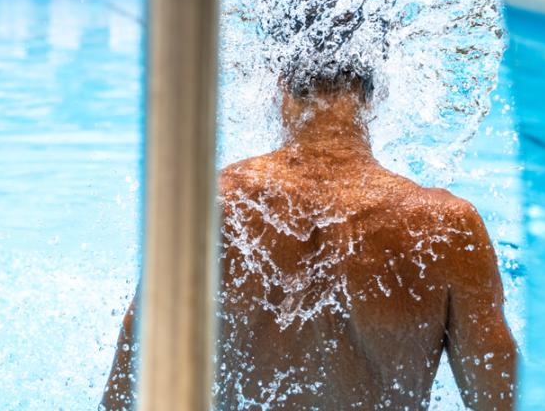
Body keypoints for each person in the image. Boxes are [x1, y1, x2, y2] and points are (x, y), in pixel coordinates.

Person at [101, 61, 517, 410]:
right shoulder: (444, 225)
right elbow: (504, 400)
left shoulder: (206, 207)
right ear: (374, 95)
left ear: (280, 88)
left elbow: (126, 392)